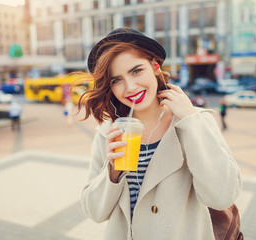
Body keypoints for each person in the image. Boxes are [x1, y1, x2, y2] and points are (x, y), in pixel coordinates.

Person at [78, 28, 242, 240]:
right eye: (116, 80)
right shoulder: (110, 133)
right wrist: (112, 172)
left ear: (155, 66)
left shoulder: (196, 121)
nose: (130, 87)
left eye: (136, 71)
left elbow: (222, 197)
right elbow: (95, 213)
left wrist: (190, 121)